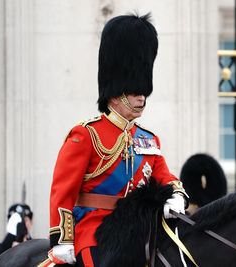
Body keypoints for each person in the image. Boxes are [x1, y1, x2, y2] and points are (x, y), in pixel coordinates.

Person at [41, 13, 188, 266]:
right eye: (135, 91)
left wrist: (176, 195)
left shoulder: (148, 140)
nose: (142, 98)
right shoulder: (86, 135)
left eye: (144, 92)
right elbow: (62, 191)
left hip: (138, 233)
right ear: (116, 92)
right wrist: (63, 239)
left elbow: (166, 177)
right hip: (95, 233)